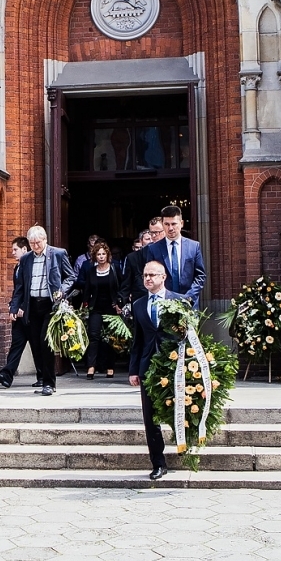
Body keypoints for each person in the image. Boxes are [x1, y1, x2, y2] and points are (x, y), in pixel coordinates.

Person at [9, 226, 74, 396]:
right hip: (32, 305)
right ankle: (42, 378)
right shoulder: (26, 259)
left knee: (46, 343)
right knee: (36, 344)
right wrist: (14, 307)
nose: (35, 246)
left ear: (45, 240)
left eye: (38, 242)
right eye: (32, 243)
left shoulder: (58, 254)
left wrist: (62, 289)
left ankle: (49, 383)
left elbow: (71, 277)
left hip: (49, 304)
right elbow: (20, 286)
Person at [127, 260, 175, 481]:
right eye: (145, 275)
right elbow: (137, 341)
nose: (148, 279)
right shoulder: (138, 305)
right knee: (150, 417)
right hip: (148, 366)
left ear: (163, 277)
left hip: (173, 364)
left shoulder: (178, 301)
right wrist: (133, 370)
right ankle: (158, 463)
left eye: (153, 275)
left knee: (178, 410)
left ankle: (186, 447)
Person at [68, 241, 121, 379]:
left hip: (111, 307)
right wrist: (84, 305)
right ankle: (91, 367)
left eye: (103, 254)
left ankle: (110, 367)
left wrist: (120, 303)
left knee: (111, 338)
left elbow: (120, 287)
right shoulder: (91, 271)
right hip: (95, 307)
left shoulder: (115, 268)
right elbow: (87, 290)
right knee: (93, 336)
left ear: (108, 255)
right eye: (99, 254)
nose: (101, 256)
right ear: (95, 256)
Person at [0, 237, 31, 388]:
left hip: (30, 313)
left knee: (38, 347)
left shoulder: (30, 266)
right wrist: (13, 306)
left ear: (25, 249)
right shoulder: (17, 267)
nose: (12, 252)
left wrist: (24, 307)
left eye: (15, 250)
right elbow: (17, 291)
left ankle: (43, 376)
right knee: (16, 344)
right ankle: (6, 376)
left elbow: (29, 290)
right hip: (19, 313)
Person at [149, 205, 205, 308]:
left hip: (189, 303)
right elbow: (150, 276)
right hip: (164, 304)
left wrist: (189, 297)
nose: (170, 228)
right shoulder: (154, 249)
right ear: (162, 224)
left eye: (174, 224)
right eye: (166, 224)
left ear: (181, 223)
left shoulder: (193, 246)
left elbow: (200, 276)